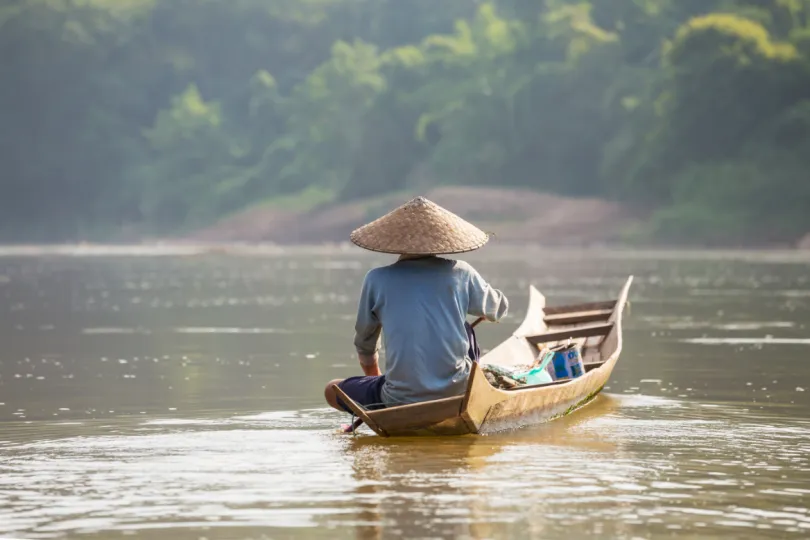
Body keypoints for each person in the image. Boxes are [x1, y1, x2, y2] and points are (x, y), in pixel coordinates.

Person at [324, 196, 508, 421]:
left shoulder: (376, 279)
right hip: (459, 392)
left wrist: (379, 389)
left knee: (331, 389)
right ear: (442, 240)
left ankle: (383, 405)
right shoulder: (462, 273)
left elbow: (365, 345)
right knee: (467, 330)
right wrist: (483, 307)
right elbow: (499, 309)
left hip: (397, 397)